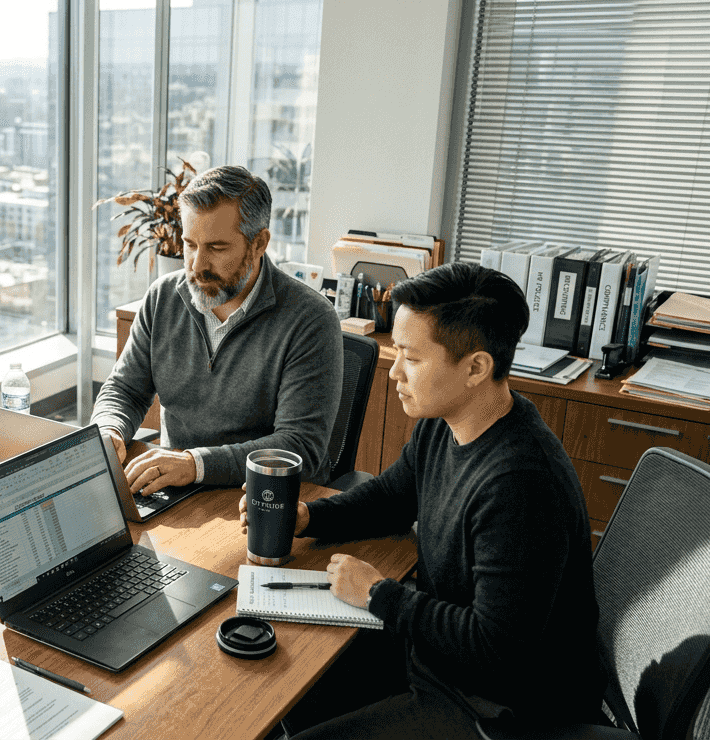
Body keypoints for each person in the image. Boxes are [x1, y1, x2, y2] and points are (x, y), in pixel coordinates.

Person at [243, 262, 603, 738]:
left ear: (476, 367)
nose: (394, 373)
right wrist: (308, 517)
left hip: (501, 706)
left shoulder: (521, 485)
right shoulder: (446, 421)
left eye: (412, 359)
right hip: (440, 658)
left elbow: (495, 648)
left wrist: (378, 595)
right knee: (281, 679)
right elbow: (392, 497)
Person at [92, 165, 342, 494]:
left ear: (259, 243)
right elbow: (125, 390)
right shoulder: (163, 297)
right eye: (190, 244)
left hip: (263, 501)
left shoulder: (310, 320)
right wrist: (109, 430)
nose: (196, 265)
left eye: (216, 248)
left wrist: (195, 465)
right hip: (177, 489)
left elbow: (298, 447)